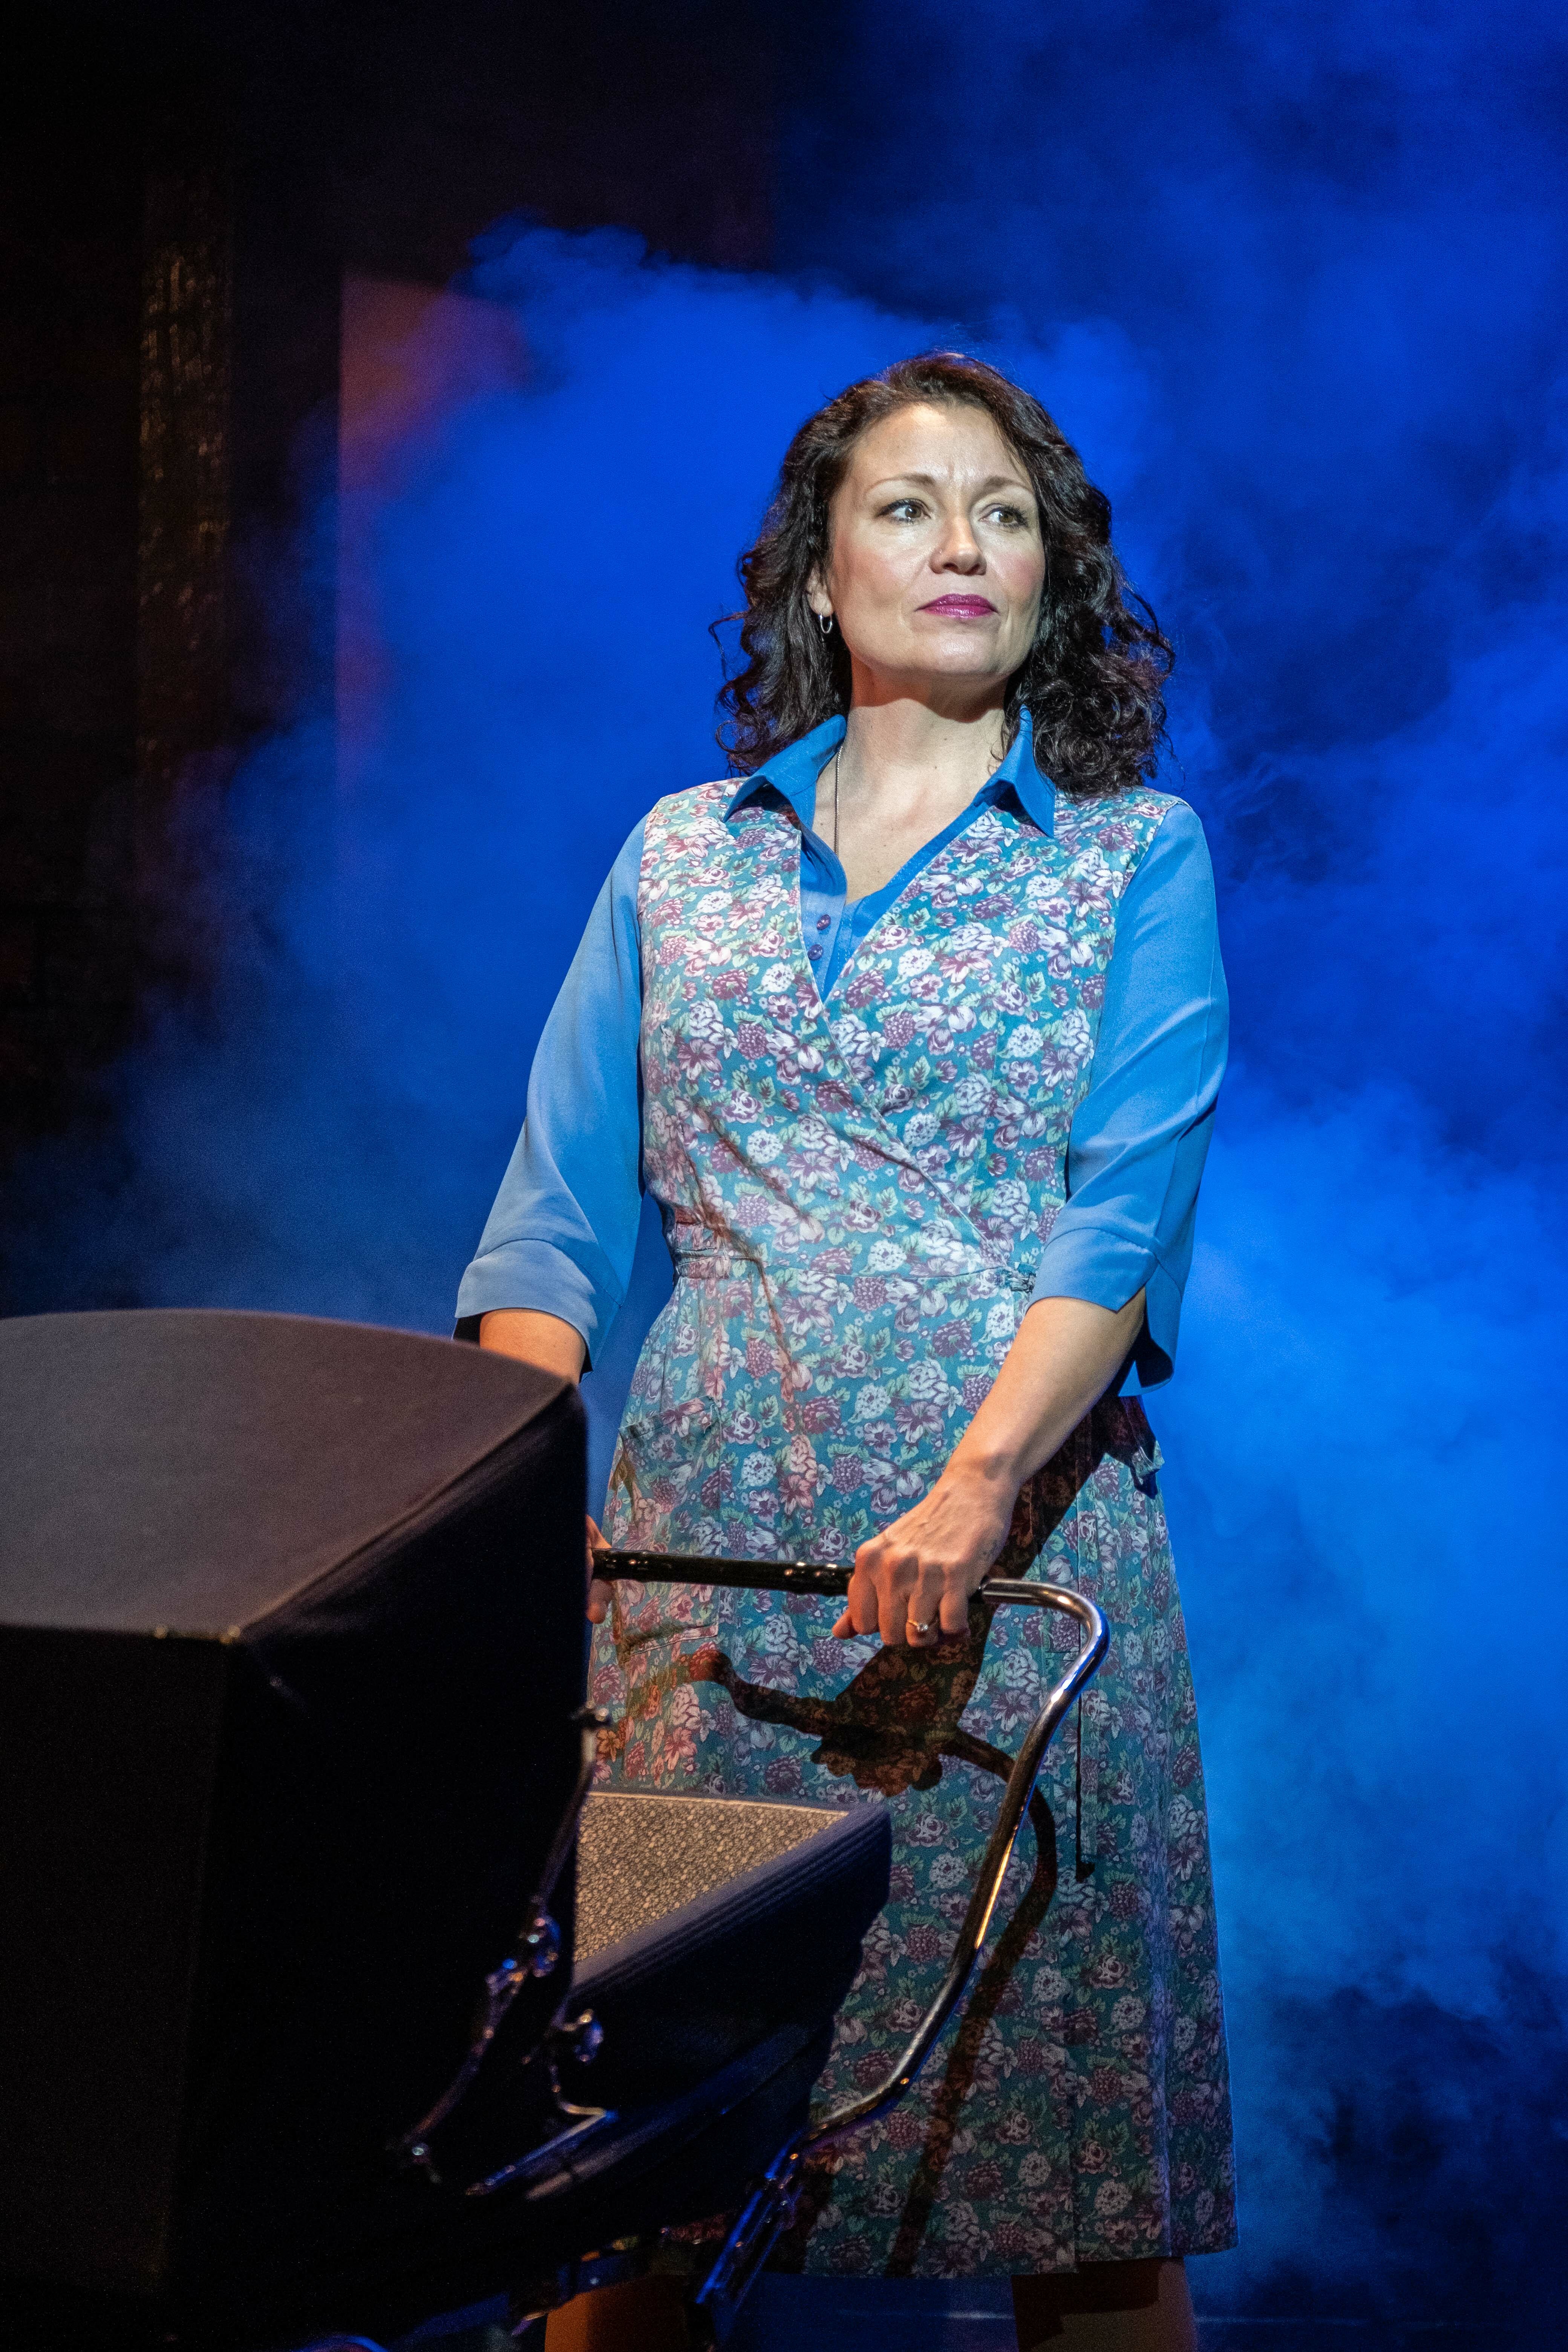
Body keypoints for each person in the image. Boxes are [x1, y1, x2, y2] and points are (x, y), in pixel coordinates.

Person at [458, 352, 1234, 2352]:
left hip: (1011, 1569)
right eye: (907, 504)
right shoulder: (675, 858)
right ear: (818, 570)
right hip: (700, 1585)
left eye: (1003, 511)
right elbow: (551, 1223)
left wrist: (974, 1488)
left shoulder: (1126, 860)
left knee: (1067, 2196)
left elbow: (1119, 1223)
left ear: (1055, 576)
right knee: (615, 2191)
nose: (961, 544)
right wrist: (515, 1492)